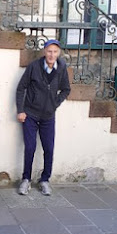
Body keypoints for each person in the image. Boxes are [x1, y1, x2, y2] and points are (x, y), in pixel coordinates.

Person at [16, 39, 71, 196]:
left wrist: (55, 103)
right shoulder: (34, 67)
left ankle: (45, 180)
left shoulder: (61, 68)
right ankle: (26, 179)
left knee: (49, 148)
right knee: (30, 147)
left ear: (58, 53)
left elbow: (66, 89)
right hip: (31, 114)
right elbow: (21, 88)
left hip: (48, 116)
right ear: (44, 52)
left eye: (55, 51)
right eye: (49, 51)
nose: (51, 54)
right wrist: (20, 110)